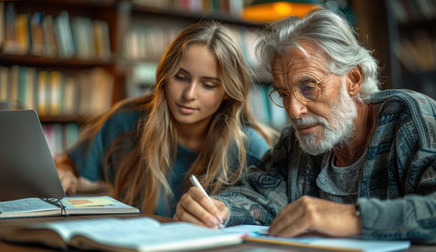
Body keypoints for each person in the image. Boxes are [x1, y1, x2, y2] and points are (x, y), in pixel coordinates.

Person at [174, 9, 436, 243]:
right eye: (284, 94)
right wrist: (219, 207)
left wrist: (350, 217)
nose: (294, 111)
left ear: (353, 80)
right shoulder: (299, 142)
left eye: (308, 88)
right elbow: (258, 193)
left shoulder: (409, 117)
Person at [55, 21, 277, 217]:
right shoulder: (125, 122)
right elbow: (70, 163)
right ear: (164, 75)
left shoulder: (249, 148)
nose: (189, 94)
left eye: (207, 85)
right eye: (180, 78)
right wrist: (65, 170)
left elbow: (271, 211)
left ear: (228, 91)